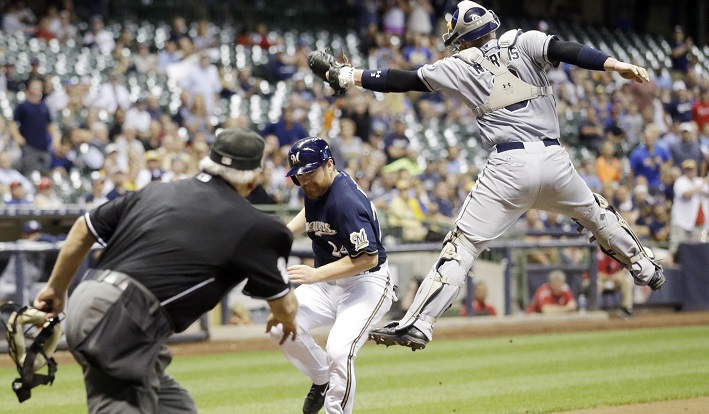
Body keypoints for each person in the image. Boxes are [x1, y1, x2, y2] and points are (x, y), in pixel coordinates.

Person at [309, 1, 664, 350]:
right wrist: (614, 64)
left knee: (463, 244)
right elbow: (566, 49)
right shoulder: (521, 40)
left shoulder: (459, 63)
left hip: (509, 164)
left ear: (460, 37)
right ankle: (645, 266)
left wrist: (345, 74)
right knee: (596, 213)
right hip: (554, 158)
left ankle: (419, 322)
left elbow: (400, 80)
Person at [32, 128, 299, 413]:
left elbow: (84, 227)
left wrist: (56, 289)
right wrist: (285, 315)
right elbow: (284, 306)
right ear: (254, 177)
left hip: (89, 300)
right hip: (124, 319)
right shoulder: (257, 226)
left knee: (175, 406)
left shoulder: (157, 191)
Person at [269, 137, 394, 414]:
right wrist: (285, 233)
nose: (305, 181)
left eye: (310, 172)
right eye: (299, 176)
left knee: (339, 351)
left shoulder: (345, 201)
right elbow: (312, 211)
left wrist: (315, 275)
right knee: (281, 326)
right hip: (328, 280)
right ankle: (322, 379)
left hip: (365, 282)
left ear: (329, 164)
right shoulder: (316, 185)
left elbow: (367, 258)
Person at [9, 77, 61, 174]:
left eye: (38, 87)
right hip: (29, 147)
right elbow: (12, 124)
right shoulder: (23, 106)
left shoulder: (44, 106)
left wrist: (55, 139)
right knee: (30, 173)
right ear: (29, 88)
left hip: (44, 147)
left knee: (44, 173)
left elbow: (50, 125)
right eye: (34, 87)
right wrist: (18, 137)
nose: (36, 90)